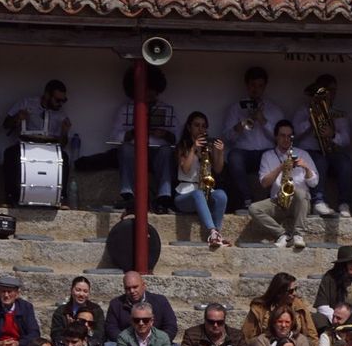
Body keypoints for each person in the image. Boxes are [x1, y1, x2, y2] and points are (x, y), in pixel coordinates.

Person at [0, 79, 72, 207]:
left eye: (63, 100)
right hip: (26, 146)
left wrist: (64, 132)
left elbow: (62, 144)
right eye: (57, 100)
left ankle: (61, 197)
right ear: (47, 95)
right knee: (10, 153)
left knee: (64, 157)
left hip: (48, 148)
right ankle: (10, 197)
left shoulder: (61, 114)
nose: (60, 104)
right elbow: (6, 124)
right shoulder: (27, 103)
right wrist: (17, 117)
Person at [108, 64, 177, 213]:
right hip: (134, 150)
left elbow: (176, 136)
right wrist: (134, 132)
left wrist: (164, 134)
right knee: (125, 149)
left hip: (156, 151)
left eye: (153, 94)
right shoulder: (126, 110)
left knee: (166, 151)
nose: (150, 97)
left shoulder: (166, 109)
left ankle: (164, 196)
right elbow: (115, 136)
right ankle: (128, 194)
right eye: (147, 93)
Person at [223, 65, 284, 212]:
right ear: (247, 85)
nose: (256, 89)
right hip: (244, 153)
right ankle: (246, 200)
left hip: (266, 152)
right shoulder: (236, 108)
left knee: (277, 156)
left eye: (260, 86)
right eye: (252, 85)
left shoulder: (274, 109)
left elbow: (281, 139)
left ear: (265, 87)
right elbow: (227, 137)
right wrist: (242, 123)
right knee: (233, 156)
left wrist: (263, 121)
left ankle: (275, 202)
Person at [250, 120, 318, 249]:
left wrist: (306, 168)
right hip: (279, 201)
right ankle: (282, 235)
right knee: (254, 208)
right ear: (276, 137)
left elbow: (314, 183)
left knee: (300, 192)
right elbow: (264, 183)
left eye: (289, 136)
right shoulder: (267, 156)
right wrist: (281, 167)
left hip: (300, 203)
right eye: (282, 135)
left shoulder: (303, 154)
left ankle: (298, 235)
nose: (286, 139)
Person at [295, 74, 352, 218]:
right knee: (319, 161)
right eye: (326, 90)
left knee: (345, 163)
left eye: (333, 90)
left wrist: (332, 135)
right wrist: (310, 121)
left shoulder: (339, 113)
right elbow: (294, 134)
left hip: (331, 151)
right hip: (310, 151)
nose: (331, 94)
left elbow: (346, 139)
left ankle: (344, 203)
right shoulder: (304, 110)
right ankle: (318, 202)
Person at [176, 111, 229, 248]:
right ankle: (211, 231)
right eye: (197, 125)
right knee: (197, 194)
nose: (201, 129)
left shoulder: (208, 147)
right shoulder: (183, 145)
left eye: (204, 126)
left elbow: (218, 169)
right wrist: (193, 148)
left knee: (221, 194)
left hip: (204, 192)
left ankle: (216, 233)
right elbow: (185, 169)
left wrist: (220, 152)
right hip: (184, 193)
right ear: (189, 127)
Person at [104, 271, 178, 346]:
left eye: (135, 287)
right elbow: (111, 328)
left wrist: (157, 342)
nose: (132, 291)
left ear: (143, 285)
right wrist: (129, 342)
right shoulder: (116, 304)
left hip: (156, 345)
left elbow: (171, 326)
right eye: (128, 288)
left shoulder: (160, 301)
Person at [243, 272, 318, 346]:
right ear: (279, 292)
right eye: (290, 291)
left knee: (305, 341)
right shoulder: (259, 308)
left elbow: (311, 333)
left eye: (296, 289)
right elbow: (246, 335)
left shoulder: (299, 306)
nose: (295, 293)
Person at [315, 247, 352, 334]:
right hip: (334, 320)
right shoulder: (330, 278)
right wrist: (339, 318)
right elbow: (322, 305)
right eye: (350, 263)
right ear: (342, 265)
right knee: (317, 318)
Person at [49, 277, 105, 343]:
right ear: (71, 290)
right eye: (78, 290)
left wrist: (86, 332)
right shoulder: (62, 311)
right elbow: (56, 334)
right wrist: (70, 329)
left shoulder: (96, 310)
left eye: (85, 291)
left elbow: (100, 333)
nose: (81, 294)